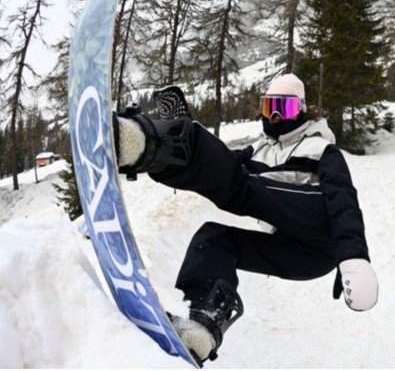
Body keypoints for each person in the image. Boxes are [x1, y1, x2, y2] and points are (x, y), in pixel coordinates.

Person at [113, 74, 379, 365]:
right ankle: (203, 328)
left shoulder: (321, 149)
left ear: (301, 110)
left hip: (320, 229)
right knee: (214, 239)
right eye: (269, 108)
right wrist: (183, 137)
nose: (275, 116)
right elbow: (221, 165)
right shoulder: (260, 148)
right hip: (296, 253)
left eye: (284, 109)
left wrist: (354, 257)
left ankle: (141, 139)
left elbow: (344, 201)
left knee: (243, 186)